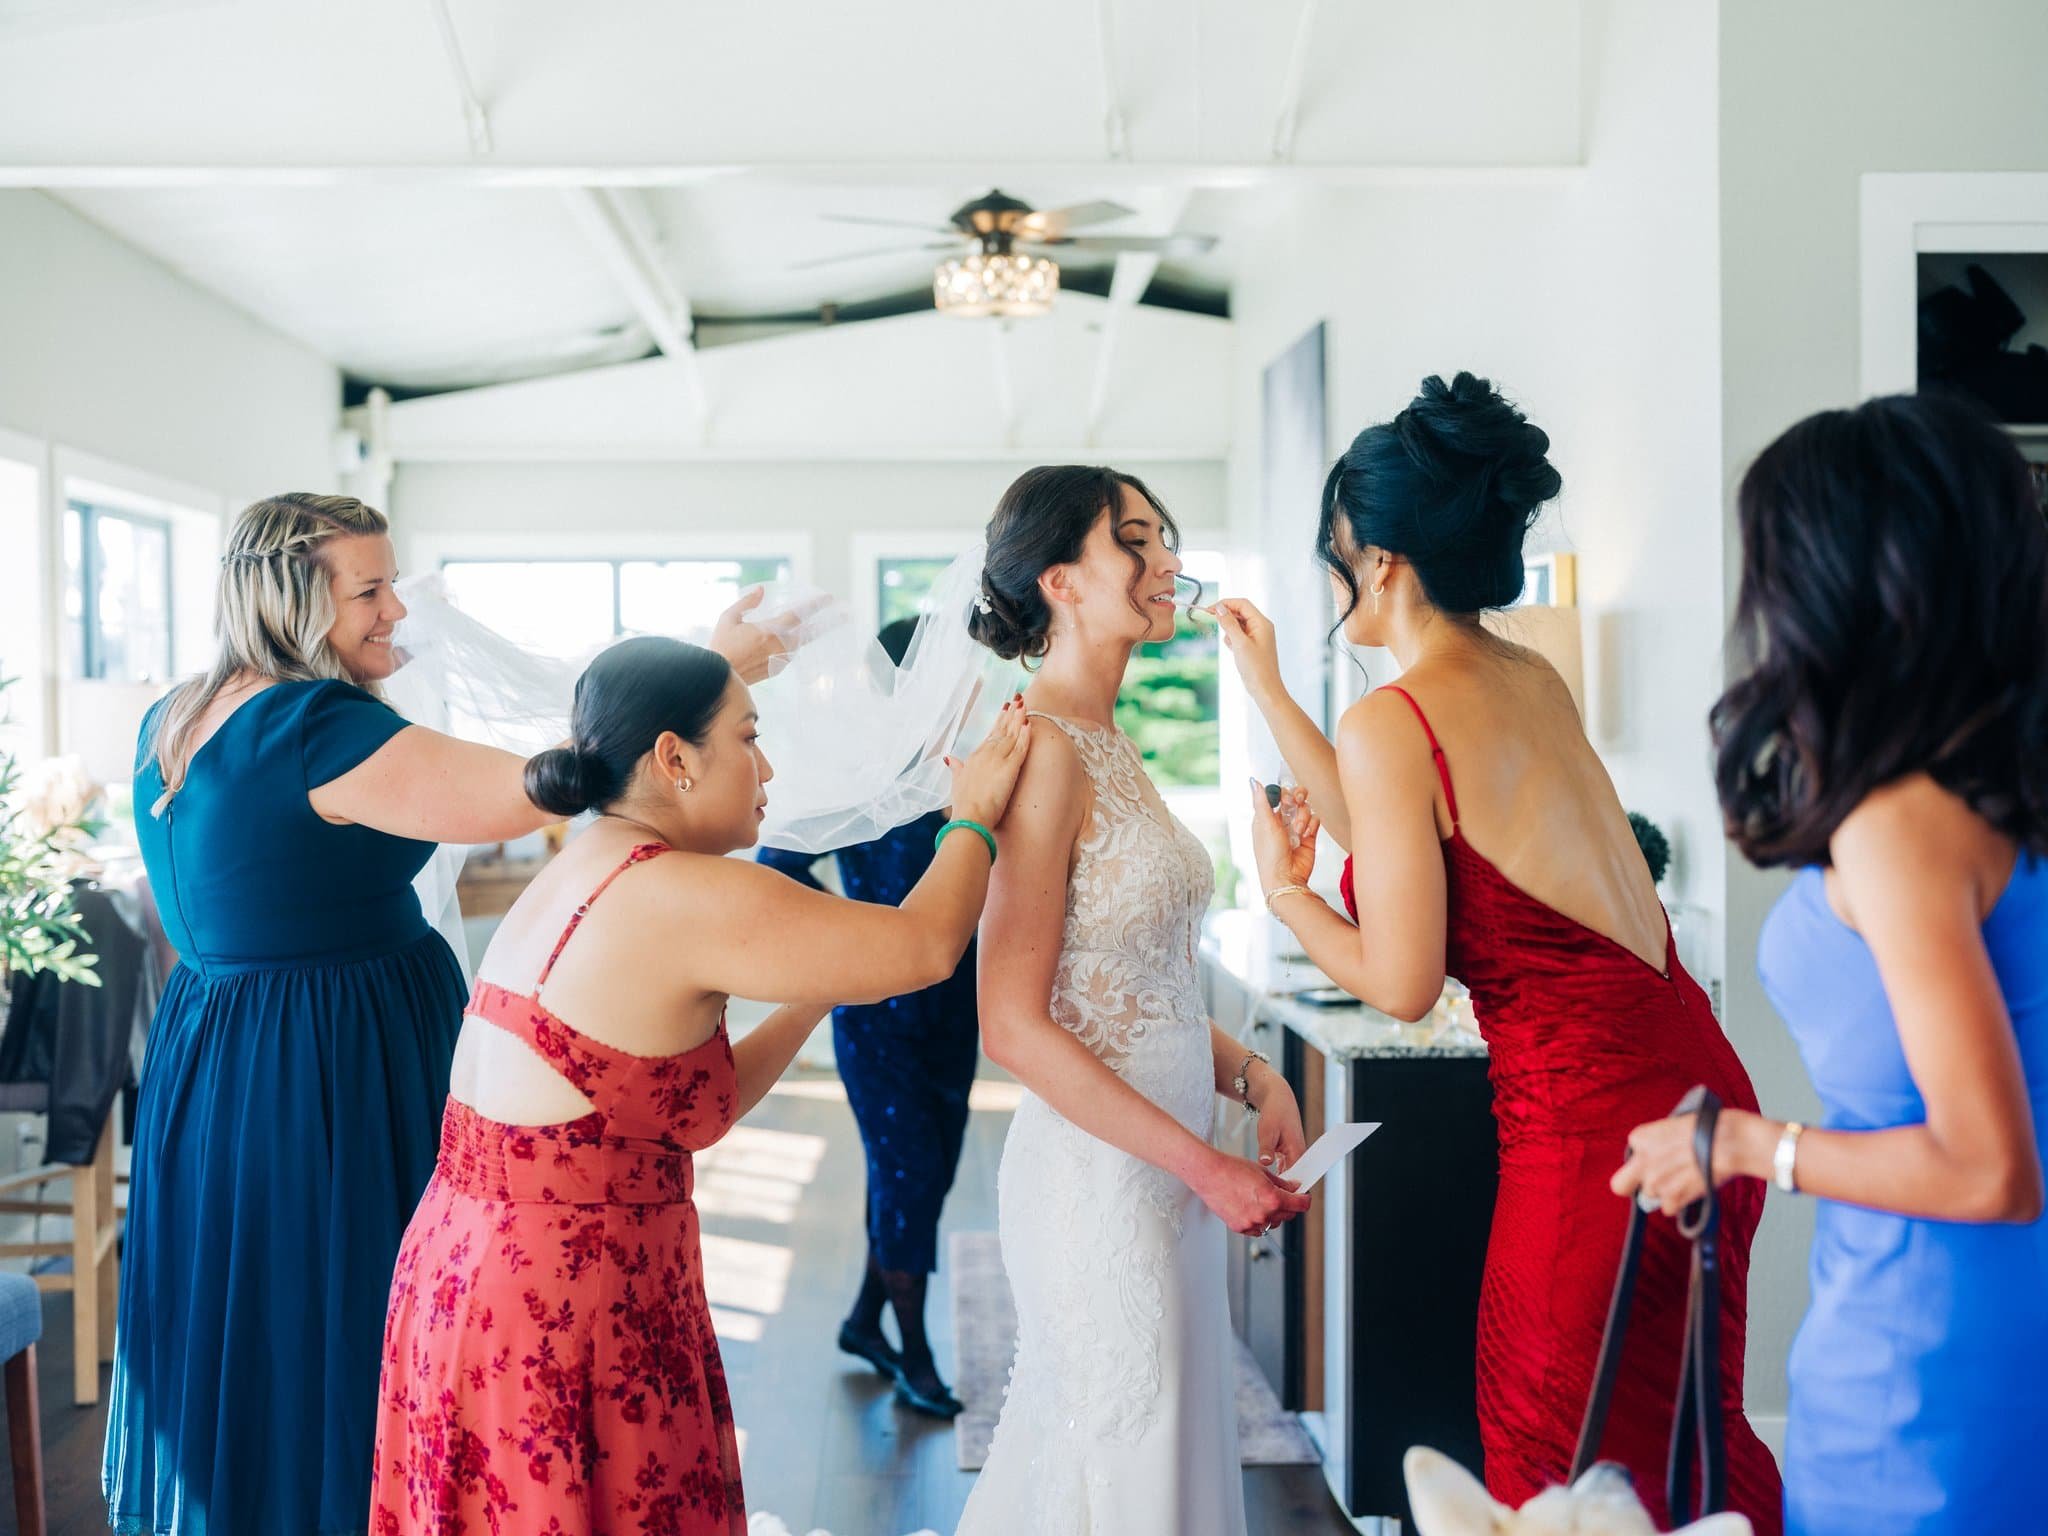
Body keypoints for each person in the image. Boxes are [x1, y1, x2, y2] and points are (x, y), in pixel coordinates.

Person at [106, 493, 795, 1536]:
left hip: (212, 1057)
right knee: (344, 1313)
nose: (396, 612)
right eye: (368, 590)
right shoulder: (313, 728)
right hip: (333, 1069)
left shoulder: (176, 714)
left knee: (248, 1321)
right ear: (292, 599)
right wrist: (705, 668)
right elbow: (564, 782)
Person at [1213, 373, 1781, 1531]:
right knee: (1682, 1442)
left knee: (1558, 1456)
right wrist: (1268, 689)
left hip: (1591, 1133)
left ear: (1376, 562)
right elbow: (1399, 819)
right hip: (1698, 1089)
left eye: (1331, 549)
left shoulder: (1396, 719)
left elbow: (1401, 982)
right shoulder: (1528, 677)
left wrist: (1285, 897)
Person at [371, 635, 1032, 1535]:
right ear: (674, 758)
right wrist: (975, 817)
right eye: (750, 736)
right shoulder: (679, 890)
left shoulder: (582, 862)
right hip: (564, 1307)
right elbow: (924, 948)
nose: (769, 765)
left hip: (466, 1278)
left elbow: (684, 1108)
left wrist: (813, 997)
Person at [1614, 392, 2048, 1536]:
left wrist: (1756, 1147)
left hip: (1931, 1343)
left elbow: (1985, 1169)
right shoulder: (2000, 787)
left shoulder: (1900, 821)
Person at [954, 466, 1312, 1536]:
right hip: (1102, 1181)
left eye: (1165, 542)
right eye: (1136, 544)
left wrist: (1248, 1075)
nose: (1168, 567)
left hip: (1170, 1166)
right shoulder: (1044, 750)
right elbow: (1012, 1020)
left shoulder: (1111, 741)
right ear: (1061, 581)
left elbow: (1128, 983)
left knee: (1163, 1461)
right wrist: (1201, 1163)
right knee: (1112, 1466)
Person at [756, 617, 981, 1418]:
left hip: (955, 1002)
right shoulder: (858, 773)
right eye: (950, 672)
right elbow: (776, 868)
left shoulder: (972, 767)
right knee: (909, 1172)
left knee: (926, 1175)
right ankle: (915, 1355)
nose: (967, 686)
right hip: (875, 1013)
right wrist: (859, 930)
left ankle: (862, 1323)